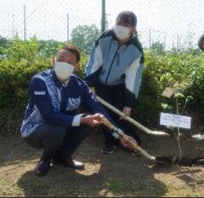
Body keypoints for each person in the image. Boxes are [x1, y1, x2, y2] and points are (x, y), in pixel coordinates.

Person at [20, 44, 136, 177]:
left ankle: (62, 157)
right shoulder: (39, 81)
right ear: (53, 60)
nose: (64, 64)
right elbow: (49, 115)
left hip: (63, 126)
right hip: (35, 131)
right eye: (61, 59)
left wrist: (120, 134)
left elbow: (98, 109)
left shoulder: (80, 85)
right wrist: (81, 120)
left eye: (70, 62)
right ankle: (46, 159)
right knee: (58, 128)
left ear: (77, 66)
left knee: (92, 119)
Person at [84, 10, 144, 155]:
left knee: (121, 114)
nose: (121, 27)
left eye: (126, 24)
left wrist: (129, 103)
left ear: (133, 29)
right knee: (103, 114)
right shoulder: (104, 38)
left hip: (119, 85)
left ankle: (132, 142)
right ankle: (109, 141)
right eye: (118, 23)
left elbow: (133, 78)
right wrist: (91, 85)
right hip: (99, 82)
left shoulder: (136, 50)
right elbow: (94, 62)